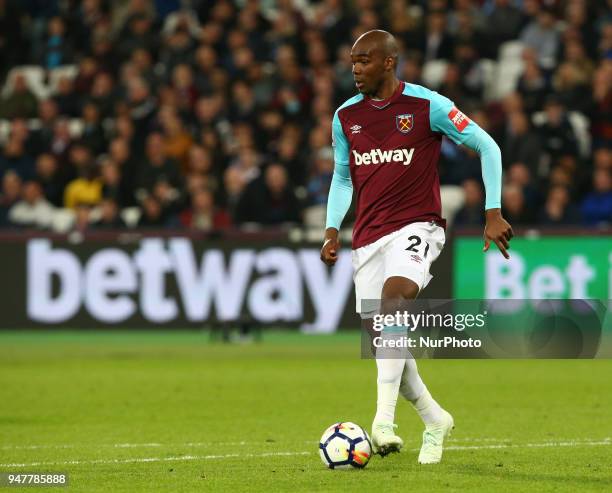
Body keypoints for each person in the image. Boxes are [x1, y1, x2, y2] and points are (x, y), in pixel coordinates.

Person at [320, 30, 513, 465]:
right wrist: (332, 228)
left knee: (394, 302)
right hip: (367, 238)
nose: (355, 68)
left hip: (418, 226)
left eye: (364, 60)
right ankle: (434, 418)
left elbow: (487, 145)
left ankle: (382, 421)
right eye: (352, 60)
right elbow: (342, 177)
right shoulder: (345, 117)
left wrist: (493, 210)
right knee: (387, 341)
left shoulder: (428, 106)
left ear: (389, 62)